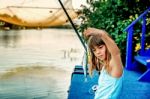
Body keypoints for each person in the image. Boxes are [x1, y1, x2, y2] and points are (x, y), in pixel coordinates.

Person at [84, 28, 123, 99]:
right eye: (94, 50)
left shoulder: (114, 65)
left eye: (100, 47)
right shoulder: (105, 65)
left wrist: (102, 34)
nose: (97, 52)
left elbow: (116, 53)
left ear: (108, 46)